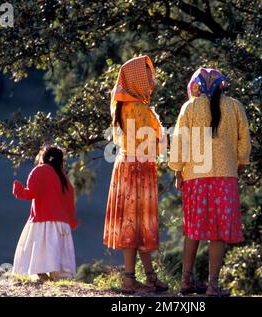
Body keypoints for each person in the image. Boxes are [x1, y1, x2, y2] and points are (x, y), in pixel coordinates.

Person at [169, 67, 251, 296]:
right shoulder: (235, 106)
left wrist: (178, 171)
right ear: (221, 85)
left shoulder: (190, 107)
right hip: (225, 178)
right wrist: (240, 164)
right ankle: (213, 285)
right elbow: (244, 139)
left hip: (196, 178)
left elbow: (179, 141)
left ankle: (186, 281)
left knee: (193, 229)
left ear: (196, 85)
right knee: (218, 232)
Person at [103, 55, 169, 294]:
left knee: (132, 225)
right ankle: (135, 278)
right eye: (147, 75)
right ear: (138, 80)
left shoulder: (120, 106)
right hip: (140, 170)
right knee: (140, 225)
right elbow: (157, 144)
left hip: (124, 167)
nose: (151, 79)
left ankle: (140, 277)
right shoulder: (141, 109)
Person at [12, 146, 78, 282]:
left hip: (43, 219)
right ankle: (53, 279)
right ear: (61, 161)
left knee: (40, 251)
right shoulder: (63, 176)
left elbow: (32, 192)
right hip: (61, 223)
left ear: (43, 157)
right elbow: (69, 200)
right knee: (56, 253)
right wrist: (70, 221)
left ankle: (42, 276)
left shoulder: (40, 170)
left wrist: (19, 191)